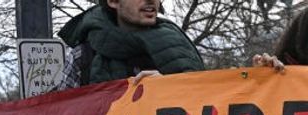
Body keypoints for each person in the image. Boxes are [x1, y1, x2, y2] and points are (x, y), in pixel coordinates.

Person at [56, 0, 204, 88]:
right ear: (113, 1)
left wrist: (169, 88)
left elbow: (204, 110)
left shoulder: (181, 50)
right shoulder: (82, 57)